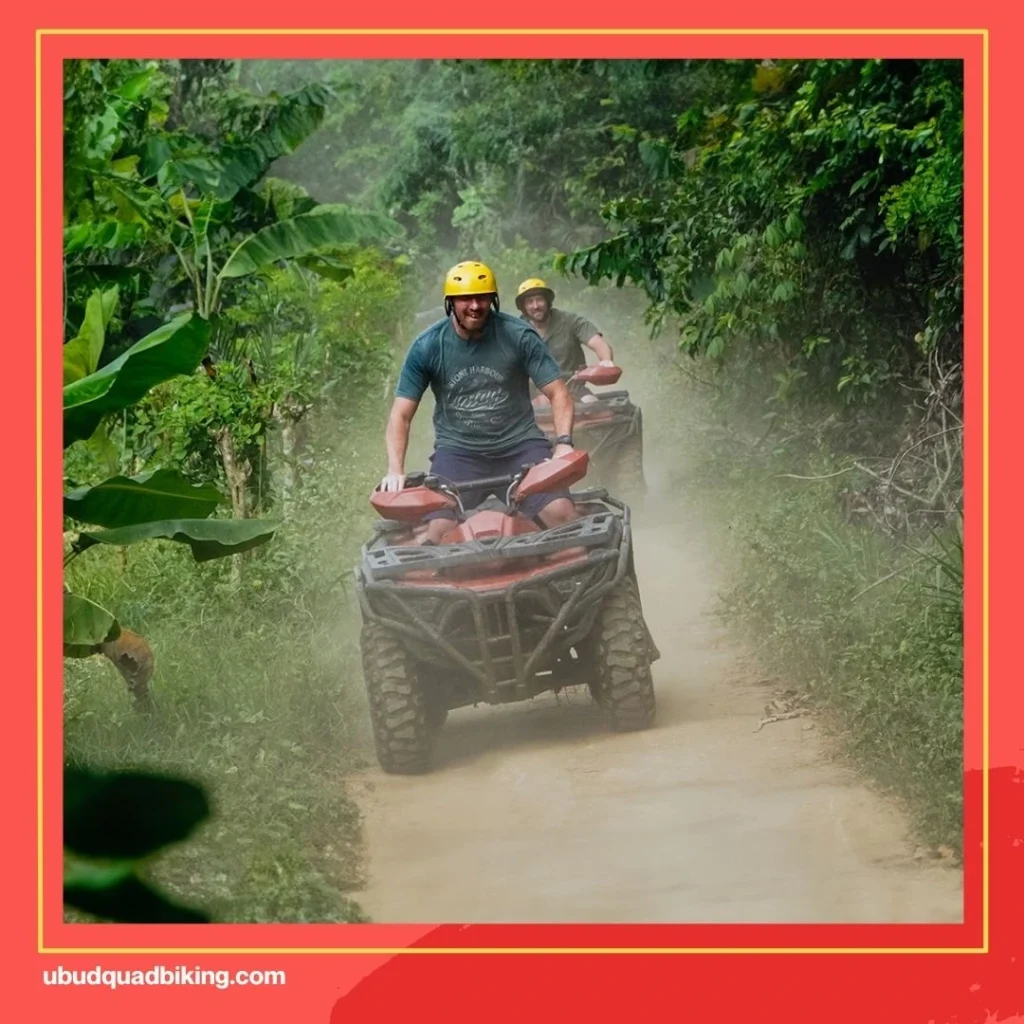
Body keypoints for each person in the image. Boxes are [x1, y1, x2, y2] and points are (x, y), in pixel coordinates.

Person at [380, 261, 580, 544]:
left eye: (482, 297)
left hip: (520, 447)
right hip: (459, 454)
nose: (475, 305)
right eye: (465, 298)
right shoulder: (427, 346)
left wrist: (563, 444)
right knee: (437, 534)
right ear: (451, 303)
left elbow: (559, 393)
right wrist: (394, 470)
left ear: (493, 300)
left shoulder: (519, 336)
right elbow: (401, 415)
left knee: (562, 513)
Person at [515, 278, 615, 401]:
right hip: (531, 396)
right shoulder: (516, 330)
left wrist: (606, 362)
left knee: (594, 405)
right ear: (523, 307)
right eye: (529, 302)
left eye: (539, 300)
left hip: (573, 390)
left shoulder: (570, 321)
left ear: (547, 301)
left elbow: (600, 345)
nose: (535, 306)